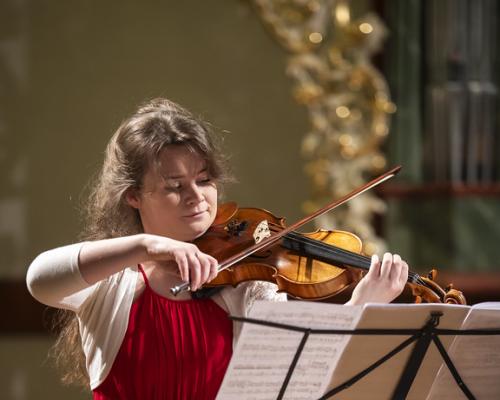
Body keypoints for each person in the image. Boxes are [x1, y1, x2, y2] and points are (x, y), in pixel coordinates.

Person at [26, 97, 409, 399]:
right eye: (175, 186)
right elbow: (40, 279)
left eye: (204, 180)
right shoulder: (114, 282)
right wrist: (147, 246)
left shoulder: (247, 285)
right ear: (133, 196)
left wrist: (360, 306)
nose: (197, 197)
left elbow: (297, 381)